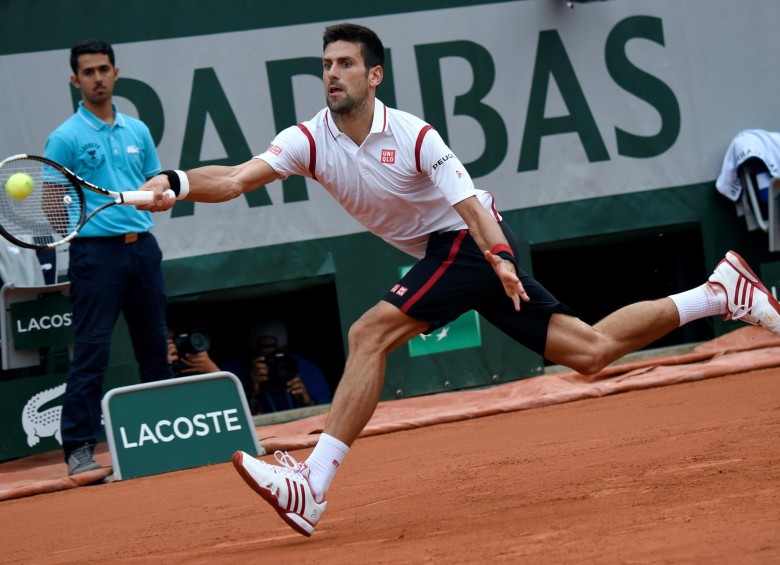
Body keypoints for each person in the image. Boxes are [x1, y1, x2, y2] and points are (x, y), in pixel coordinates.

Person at [138, 23, 780, 537]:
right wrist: (179, 183)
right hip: (459, 255)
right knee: (589, 352)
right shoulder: (309, 139)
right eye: (326, 64)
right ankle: (720, 292)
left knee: (367, 335)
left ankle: (314, 483)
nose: (331, 73)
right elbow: (240, 176)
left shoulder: (415, 135)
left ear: (374, 73)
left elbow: (469, 203)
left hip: (467, 246)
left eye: (344, 64)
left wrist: (498, 256)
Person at [45, 39, 172, 477]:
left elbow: (154, 179)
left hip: (144, 251)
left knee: (155, 348)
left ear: (116, 73)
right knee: (92, 353)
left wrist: (160, 194)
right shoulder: (64, 138)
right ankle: (79, 447)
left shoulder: (136, 129)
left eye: (104, 69)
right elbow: (50, 201)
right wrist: (77, 221)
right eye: (88, 72)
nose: (97, 78)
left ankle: (169, 432)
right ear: (75, 80)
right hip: (95, 257)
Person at [237, 319, 333, 414]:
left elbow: (328, 417)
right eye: (267, 358)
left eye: (277, 356)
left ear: (286, 350)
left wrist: (309, 403)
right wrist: (250, 393)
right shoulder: (239, 373)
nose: (273, 364)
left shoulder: (306, 370)